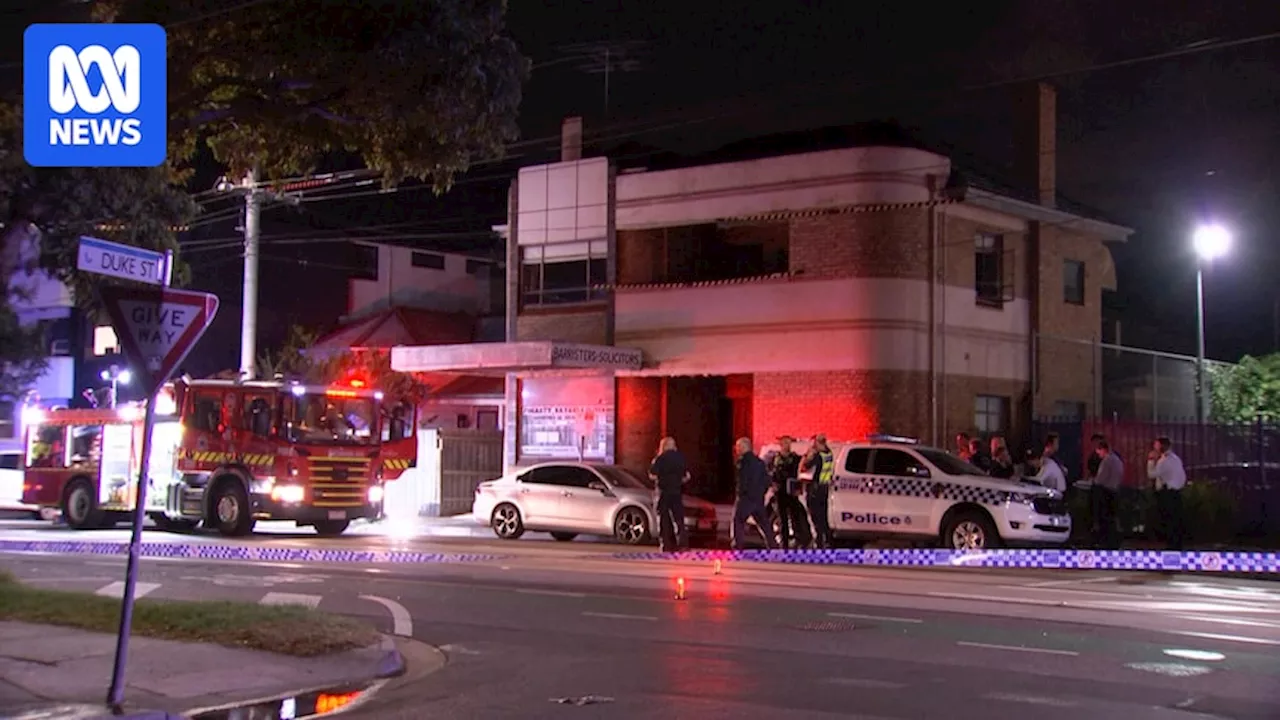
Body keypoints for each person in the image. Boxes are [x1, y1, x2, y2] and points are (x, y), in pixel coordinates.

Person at [731, 437, 776, 550]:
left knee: (739, 521)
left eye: (738, 446)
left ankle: (738, 546)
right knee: (764, 523)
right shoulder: (760, 462)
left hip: (746, 498)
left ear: (743, 447)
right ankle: (773, 546)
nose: (736, 449)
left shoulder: (743, 462)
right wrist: (761, 493)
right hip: (758, 499)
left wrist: (741, 494)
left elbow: (742, 480)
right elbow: (767, 480)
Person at [769, 435, 811, 549]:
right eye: (785, 443)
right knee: (782, 520)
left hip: (792, 492)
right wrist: (772, 484)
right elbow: (769, 473)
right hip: (780, 493)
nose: (787, 445)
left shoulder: (795, 458)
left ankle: (799, 542)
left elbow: (803, 467)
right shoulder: (774, 459)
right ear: (781, 445)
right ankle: (784, 545)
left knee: (795, 518)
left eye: (789, 443)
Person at [648, 436, 690, 552]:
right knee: (679, 519)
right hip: (676, 492)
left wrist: (663, 477)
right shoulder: (680, 458)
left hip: (663, 492)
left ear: (663, 446)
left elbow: (652, 475)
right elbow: (686, 476)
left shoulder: (660, 459)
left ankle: (666, 544)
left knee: (664, 519)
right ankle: (682, 544)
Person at [1147, 436, 1187, 550]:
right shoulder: (1175, 459)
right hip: (1176, 492)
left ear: (1162, 446)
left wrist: (1150, 461)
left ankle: (1172, 545)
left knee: (1169, 521)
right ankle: (1176, 544)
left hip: (1168, 494)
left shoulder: (1165, 460)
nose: (1155, 448)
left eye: (1157, 445)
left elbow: (1152, 474)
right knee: (1175, 520)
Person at [802, 434, 835, 549]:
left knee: (815, 517)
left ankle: (819, 542)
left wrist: (807, 456)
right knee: (823, 517)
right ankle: (828, 542)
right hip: (824, 489)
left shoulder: (817, 455)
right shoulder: (829, 453)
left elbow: (805, 467)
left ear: (817, 443)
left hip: (815, 490)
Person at [1091, 440, 1124, 549]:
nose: (1098, 455)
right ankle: (1114, 542)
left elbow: (1100, 479)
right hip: (1115, 491)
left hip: (1106, 493)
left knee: (1105, 519)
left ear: (1102, 450)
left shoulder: (1107, 460)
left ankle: (1105, 543)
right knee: (1113, 519)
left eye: (1098, 452)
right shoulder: (1117, 460)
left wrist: (1092, 481)